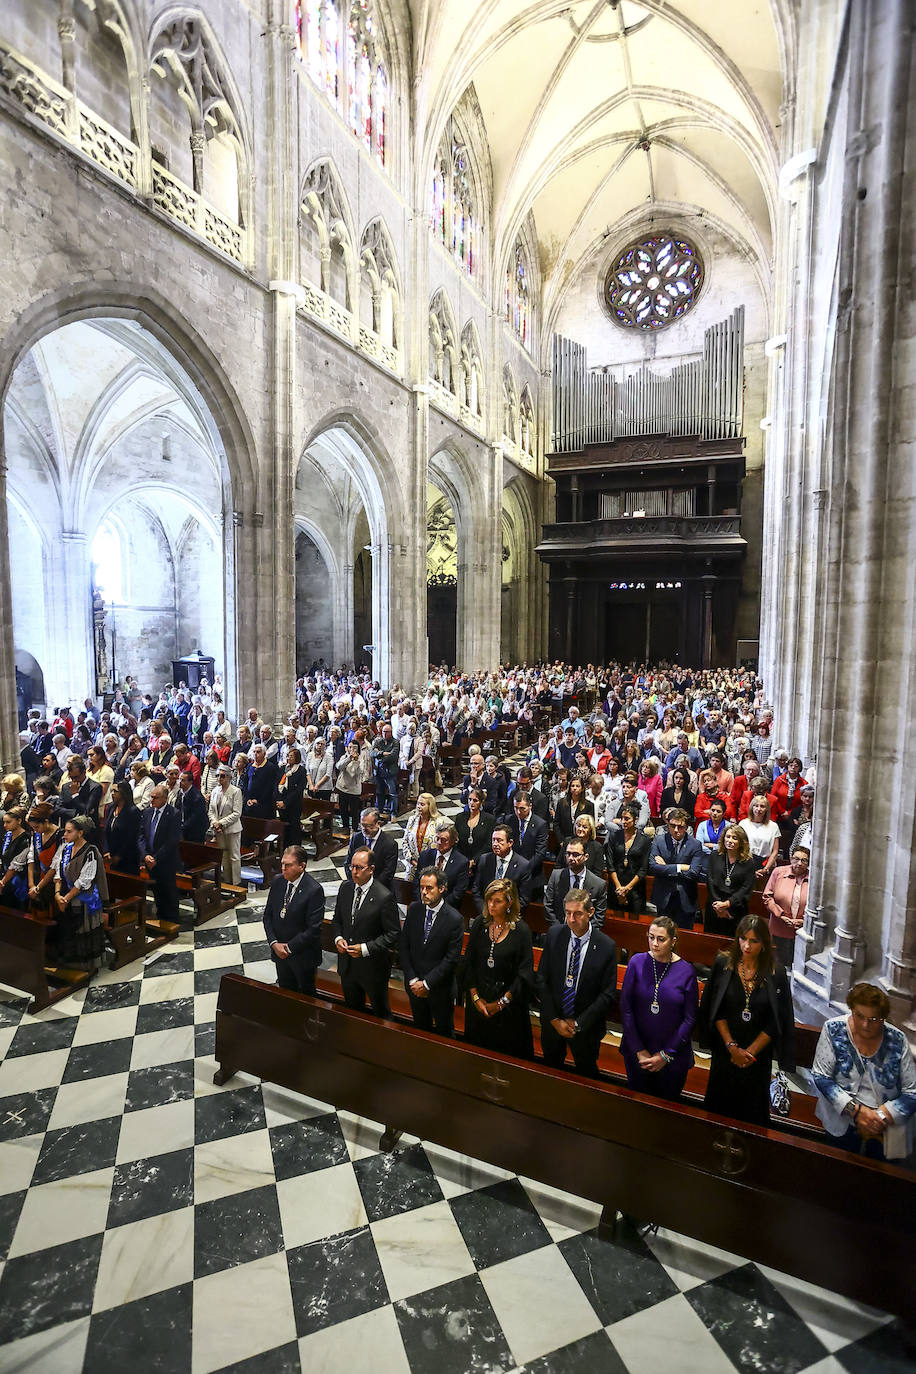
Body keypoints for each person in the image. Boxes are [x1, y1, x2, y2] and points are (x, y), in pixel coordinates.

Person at [697, 915, 796, 1127]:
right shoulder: (724, 963)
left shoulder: (775, 972)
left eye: (754, 941)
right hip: (726, 1051)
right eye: (743, 939)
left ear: (764, 943)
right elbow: (715, 1007)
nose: (746, 946)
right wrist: (732, 1047)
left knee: (751, 1114)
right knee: (718, 1109)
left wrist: (749, 1052)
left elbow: (777, 1018)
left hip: (757, 1057)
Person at [810, 982, 916, 1160]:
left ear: (883, 1018)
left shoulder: (898, 1040)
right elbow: (821, 1076)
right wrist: (857, 1112)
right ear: (851, 1010)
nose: (866, 1024)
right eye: (859, 1016)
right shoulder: (833, 1029)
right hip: (841, 1122)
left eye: (874, 1019)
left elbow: (912, 1092)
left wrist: (881, 1116)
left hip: (884, 1128)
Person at [537, 888, 617, 1077]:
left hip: (586, 1028)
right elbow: (541, 980)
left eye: (578, 913)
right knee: (549, 1075)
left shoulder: (606, 946)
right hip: (553, 1023)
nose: (571, 919)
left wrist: (578, 1023)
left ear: (590, 912)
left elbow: (607, 993)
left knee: (586, 1075)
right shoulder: (554, 935)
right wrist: (555, 1019)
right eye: (567, 913)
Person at [619, 916, 699, 1101]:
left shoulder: (686, 971)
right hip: (638, 1052)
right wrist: (639, 1050)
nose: (654, 943)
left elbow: (689, 1018)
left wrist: (665, 1055)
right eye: (651, 937)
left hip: (672, 1057)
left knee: (665, 1112)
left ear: (673, 941)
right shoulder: (637, 962)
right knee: (637, 1106)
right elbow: (626, 1007)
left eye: (661, 939)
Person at [460, 878, 534, 1059]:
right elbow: (469, 963)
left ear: (509, 903)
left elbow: (524, 974)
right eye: (489, 900)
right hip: (479, 1002)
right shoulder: (480, 923)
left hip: (508, 1008)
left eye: (497, 901)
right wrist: (476, 998)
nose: (491, 905)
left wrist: (501, 1003)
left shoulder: (521, 931)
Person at [330, 846, 399, 1016]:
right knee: (352, 1013)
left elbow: (393, 934)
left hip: (372, 968)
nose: (354, 872)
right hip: (347, 965)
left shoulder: (384, 897)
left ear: (371, 869)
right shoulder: (345, 888)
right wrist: (338, 938)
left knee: (380, 1013)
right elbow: (337, 919)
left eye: (359, 868)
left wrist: (365, 949)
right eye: (352, 867)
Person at [400, 866, 463, 1036]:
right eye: (421, 888)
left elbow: (451, 959)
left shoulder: (454, 919)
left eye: (429, 888)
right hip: (415, 986)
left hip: (439, 989)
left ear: (442, 889)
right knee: (420, 1031)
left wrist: (427, 984)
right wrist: (413, 980)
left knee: (444, 1033)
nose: (424, 892)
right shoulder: (414, 909)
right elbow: (404, 946)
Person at [263, 845, 326, 996]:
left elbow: (313, 929)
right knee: (285, 994)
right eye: (282, 864)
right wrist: (274, 943)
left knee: (305, 996)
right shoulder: (278, 882)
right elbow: (267, 916)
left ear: (302, 866)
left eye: (288, 865)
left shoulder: (314, 890)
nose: (283, 868)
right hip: (280, 953)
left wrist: (289, 948)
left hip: (302, 956)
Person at [51, 815, 109, 968]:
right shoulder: (65, 848)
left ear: (80, 833)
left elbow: (84, 880)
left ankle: (84, 966)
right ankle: (68, 960)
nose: (64, 835)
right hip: (65, 897)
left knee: (81, 931)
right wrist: (58, 895)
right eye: (65, 831)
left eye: (69, 832)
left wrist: (67, 898)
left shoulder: (90, 852)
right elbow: (58, 874)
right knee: (65, 930)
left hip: (83, 900)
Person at [648, 809, 703, 928]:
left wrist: (666, 868)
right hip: (664, 897)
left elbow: (694, 873)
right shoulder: (659, 840)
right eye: (672, 826)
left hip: (686, 899)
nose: (676, 830)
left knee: (684, 939)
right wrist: (680, 867)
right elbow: (653, 867)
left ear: (687, 826)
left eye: (680, 827)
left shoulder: (695, 844)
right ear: (668, 824)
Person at [704, 824, 758, 936]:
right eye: (728, 837)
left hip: (735, 909)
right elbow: (710, 880)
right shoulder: (715, 855)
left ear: (741, 842)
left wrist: (727, 904)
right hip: (714, 906)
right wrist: (718, 906)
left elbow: (746, 888)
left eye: (735, 838)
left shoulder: (749, 862)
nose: (730, 840)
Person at [138, 784, 182, 923]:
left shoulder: (173, 814)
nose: (152, 800)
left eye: (155, 798)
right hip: (149, 859)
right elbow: (141, 836)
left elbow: (172, 840)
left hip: (165, 861)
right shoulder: (147, 812)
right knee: (156, 892)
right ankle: (161, 918)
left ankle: (172, 921)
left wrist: (156, 858)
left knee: (168, 892)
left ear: (164, 798)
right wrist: (145, 855)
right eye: (151, 797)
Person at [762, 846, 810, 968]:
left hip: (802, 931)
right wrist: (780, 915)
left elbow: (817, 906)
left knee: (798, 967)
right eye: (796, 859)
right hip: (779, 927)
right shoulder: (778, 872)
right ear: (790, 858)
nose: (799, 863)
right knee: (777, 966)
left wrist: (804, 921)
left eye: (804, 860)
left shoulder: (813, 878)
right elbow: (767, 897)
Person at [543, 838, 607, 927]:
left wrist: (582, 933)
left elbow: (598, 918)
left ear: (586, 857)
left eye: (575, 855)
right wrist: (559, 929)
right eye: (568, 854)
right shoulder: (556, 876)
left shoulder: (598, 884)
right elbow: (548, 906)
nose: (571, 858)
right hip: (559, 930)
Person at [472, 824, 532, 913]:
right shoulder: (484, 860)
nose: (495, 844)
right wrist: (485, 911)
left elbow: (524, 898)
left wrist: (504, 913)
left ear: (510, 843)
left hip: (509, 917)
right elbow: (476, 889)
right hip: (485, 913)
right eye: (493, 840)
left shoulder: (523, 865)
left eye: (499, 841)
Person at [606, 801, 652, 914]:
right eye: (622, 818)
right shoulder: (614, 836)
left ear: (635, 820)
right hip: (616, 887)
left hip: (635, 889)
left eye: (627, 819)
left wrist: (627, 888)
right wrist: (619, 888)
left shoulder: (644, 840)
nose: (623, 822)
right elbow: (610, 864)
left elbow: (643, 868)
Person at [415, 824, 470, 907]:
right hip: (424, 905)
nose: (439, 842)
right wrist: (423, 901)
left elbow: (458, 892)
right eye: (437, 839)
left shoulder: (461, 862)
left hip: (447, 909)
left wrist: (439, 906)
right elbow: (417, 882)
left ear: (453, 841)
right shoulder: (425, 856)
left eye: (444, 840)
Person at [345, 807, 398, 890]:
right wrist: (354, 881)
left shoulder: (390, 844)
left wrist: (369, 888)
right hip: (357, 885)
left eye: (368, 826)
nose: (364, 829)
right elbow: (348, 862)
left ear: (378, 824)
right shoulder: (356, 838)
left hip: (379, 889)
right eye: (362, 825)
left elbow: (388, 873)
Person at [208, 763, 243, 886]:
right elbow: (211, 810)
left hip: (232, 829)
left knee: (234, 856)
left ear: (229, 777)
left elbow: (237, 812)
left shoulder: (235, 791)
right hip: (219, 830)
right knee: (224, 855)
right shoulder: (215, 791)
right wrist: (214, 823)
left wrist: (221, 823)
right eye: (217, 775)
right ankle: (227, 881)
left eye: (222, 776)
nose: (219, 778)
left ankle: (236, 883)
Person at [103, 780, 142, 874]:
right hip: (112, 855)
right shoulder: (111, 808)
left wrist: (119, 855)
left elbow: (131, 837)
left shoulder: (133, 811)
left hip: (128, 857)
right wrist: (107, 850)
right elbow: (106, 831)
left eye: (115, 792)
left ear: (123, 793)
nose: (112, 794)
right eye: (112, 791)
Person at [27, 802, 61, 908]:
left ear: (46, 822)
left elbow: (55, 866)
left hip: (52, 882)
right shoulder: (36, 835)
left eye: (37, 827)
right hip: (37, 878)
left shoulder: (61, 836)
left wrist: (38, 888)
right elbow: (31, 859)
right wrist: (31, 884)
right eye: (33, 828)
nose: (35, 830)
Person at [454, 787, 496, 873]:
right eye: (470, 799)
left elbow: (488, 844)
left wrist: (474, 861)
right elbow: (455, 841)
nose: (471, 803)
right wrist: (463, 861)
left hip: (481, 862)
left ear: (481, 802)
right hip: (462, 861)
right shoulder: (460, 817)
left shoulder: (489, 819)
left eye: (475, 800)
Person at [400, 792, 439, 878]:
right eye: (418, 803)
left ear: (430, 806)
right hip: (412, 866)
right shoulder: (412, 820)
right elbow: (405, 842)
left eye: (422, 804)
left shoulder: (438, 823)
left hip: (429, 868)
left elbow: (438, 847)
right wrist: (411, 860)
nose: (418, 807)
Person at [740, 795, 781, 877]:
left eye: (762, 806)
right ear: (752, 807)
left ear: (767, 809)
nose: (758, 809)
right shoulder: (743, 824)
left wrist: (765, 869)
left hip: (765, 864)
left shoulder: (773, 826)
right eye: (756, 805)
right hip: (745, 863)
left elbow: (775, 851)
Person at [275, 746, 307, 847]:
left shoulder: (301, 771)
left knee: (294, 827)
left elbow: (298, 790)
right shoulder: (283, 769)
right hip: (282, 803)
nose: (289, 758)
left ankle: (295, 847)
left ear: (297, 758)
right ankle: (284, 847)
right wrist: (279, 801)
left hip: (293, 804)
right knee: (284, 827)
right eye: (288, 756)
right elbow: (277, 784)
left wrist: (286, 802)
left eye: (291, 757)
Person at [334, 740, 368, 835]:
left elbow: (358, 773)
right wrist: (349, 758)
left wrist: (356, 761)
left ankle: (354, 828)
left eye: (353, 747)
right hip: (342, 787)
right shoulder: (344, 757)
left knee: (354, 811)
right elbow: (338, 766)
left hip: (354, 790)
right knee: (343, 809)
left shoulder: (361, 759)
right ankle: (345, 827)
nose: (351, 749)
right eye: (349, 747)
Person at [0, 807, 31, 909]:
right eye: (4, 822)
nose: (5, 825)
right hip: (5, 876)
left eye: (8, 822)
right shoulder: (8, 835)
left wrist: (3, 882)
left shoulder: (26, 839)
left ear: (19, 820)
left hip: (18, 881)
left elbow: (15, 865)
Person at [245, 744, 278, 818]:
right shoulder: (250, 766)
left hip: (263, 804)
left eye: (258, 752)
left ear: (264, 754)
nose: (255, 754)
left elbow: (269, 787)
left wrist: (258, 800)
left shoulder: (270, 767)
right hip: (249, 802)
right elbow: (245, 784)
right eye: (254, 752)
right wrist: (248, 799)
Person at [176, 771, 209, 843]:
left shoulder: (197, 797)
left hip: (196, 830)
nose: (180, 782)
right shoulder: (180, 793)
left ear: (190, 782)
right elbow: (177, 809)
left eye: (183, 780)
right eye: (179, 779)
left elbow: (194, 817)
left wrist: (182, 827)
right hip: (184, 827)